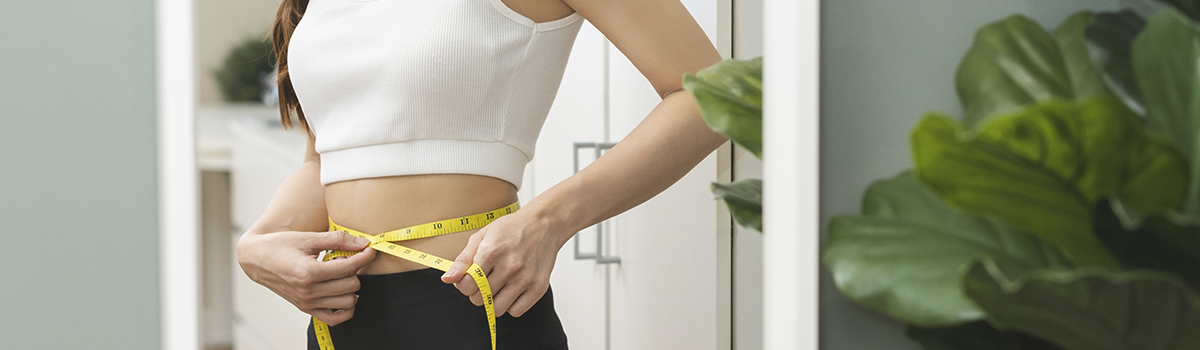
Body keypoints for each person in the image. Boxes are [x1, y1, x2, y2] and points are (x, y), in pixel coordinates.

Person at [235, 0, 726, 348]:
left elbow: (708, 96)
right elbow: (327, 156)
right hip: (345, 318)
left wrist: (548, 220)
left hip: (472, 304)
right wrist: (258, 242)